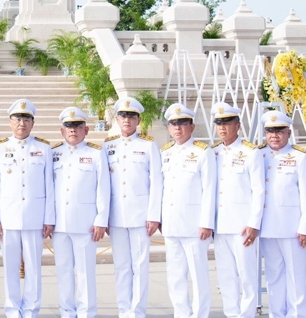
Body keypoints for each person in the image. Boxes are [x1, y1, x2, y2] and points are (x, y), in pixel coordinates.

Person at [0, 98, 54, 318]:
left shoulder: (43, 148)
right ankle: (13, 310)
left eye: (26, 119)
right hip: (8, 218)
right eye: (17, 119)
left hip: (35, 218)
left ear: (33, 123)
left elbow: (49, 187)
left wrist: (49, 218)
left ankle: (32, 310)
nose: (21, 124)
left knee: (34, 268)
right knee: (10, 268)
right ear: (10, 122)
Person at [102, 96, 161, 318]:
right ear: (116, 119)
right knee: (121, 267)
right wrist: (105, 216)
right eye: (123, 116)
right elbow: (104, 185)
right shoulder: (108, 147)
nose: (127, 120)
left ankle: (137, 311)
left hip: (140, 215)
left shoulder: (148, 145)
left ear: (138, 120)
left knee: (140, 266)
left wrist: (153, 215)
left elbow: (156, 182)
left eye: (132, 116)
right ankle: (123, 310)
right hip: (117, 216)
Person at [49, 107, 110, 318]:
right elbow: (48, 189)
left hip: (86, 224)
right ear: (62, 130)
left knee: (85, 273)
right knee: (64, 272)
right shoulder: (54, 152)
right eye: (68, 126)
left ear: (86, 129)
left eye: (77, 126)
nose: (72, 130)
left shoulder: (95, 152)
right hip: (60, 224)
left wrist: (101, 219)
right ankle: (67, 313)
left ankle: (86, 313)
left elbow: (103, 188)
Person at [258, 109, 306, 318]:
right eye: (270, 131)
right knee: (273, 277)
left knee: (295, 277)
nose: (274, 135)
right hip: (267, 227)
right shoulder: (260, 155)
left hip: (293, 228)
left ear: (288, 132)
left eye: (279, 131)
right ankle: (277, 314)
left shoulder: (300, 157)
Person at [159, 103, 215, 318]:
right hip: (172, 224)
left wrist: (206, 222)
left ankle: (200, 314)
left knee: (198, 275)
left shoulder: (202, 152)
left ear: (192, 127)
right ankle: (181, 313)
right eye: (173, 124)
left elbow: (209, 189)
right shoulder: (165, 153)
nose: (178, 128)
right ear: (169, 128)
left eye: (182, 123)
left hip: (194, 225)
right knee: (175, 275)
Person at [210, 102, 265, 318]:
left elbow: (259, 190)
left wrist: (254, 223)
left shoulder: (250, 152)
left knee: (247, 276)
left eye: (228, 123)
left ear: (238, 125)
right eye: (219, 123)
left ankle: (247, 314)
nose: (223, 128)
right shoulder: (213, 153)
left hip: (243, 225)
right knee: (226, 276)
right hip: (221, 225)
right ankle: (231, 314)